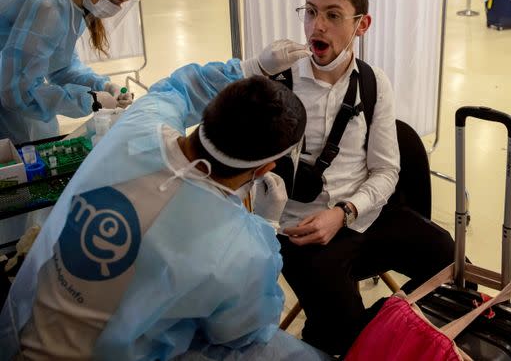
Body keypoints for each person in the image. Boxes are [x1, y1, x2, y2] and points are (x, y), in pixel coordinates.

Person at [0, 57, 308, 359]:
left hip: (18, 328)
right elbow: (243, 330)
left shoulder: (138, 125)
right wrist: (266, 228)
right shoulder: (240, 250)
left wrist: (250, 67)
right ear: (265, 169)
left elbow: (178, 87)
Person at [256, 0, 456, 356]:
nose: (318, 26)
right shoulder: (277, 82)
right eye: (311, 11)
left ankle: (391, 327)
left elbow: (386, 171)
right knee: (344, 331)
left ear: (362, 25)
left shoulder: (374, 82)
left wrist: (345, 212)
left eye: (333, 15)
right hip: (300, 232)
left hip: (362, 216)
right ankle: (350, 333)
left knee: (449, 262)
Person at [0, 0, 142, 144]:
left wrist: (103, 86)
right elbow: (16, 93)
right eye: (114, 0)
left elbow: (61, 67)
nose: (116, 8)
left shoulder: (71, 6)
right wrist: (90, 100)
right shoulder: (47, 6)